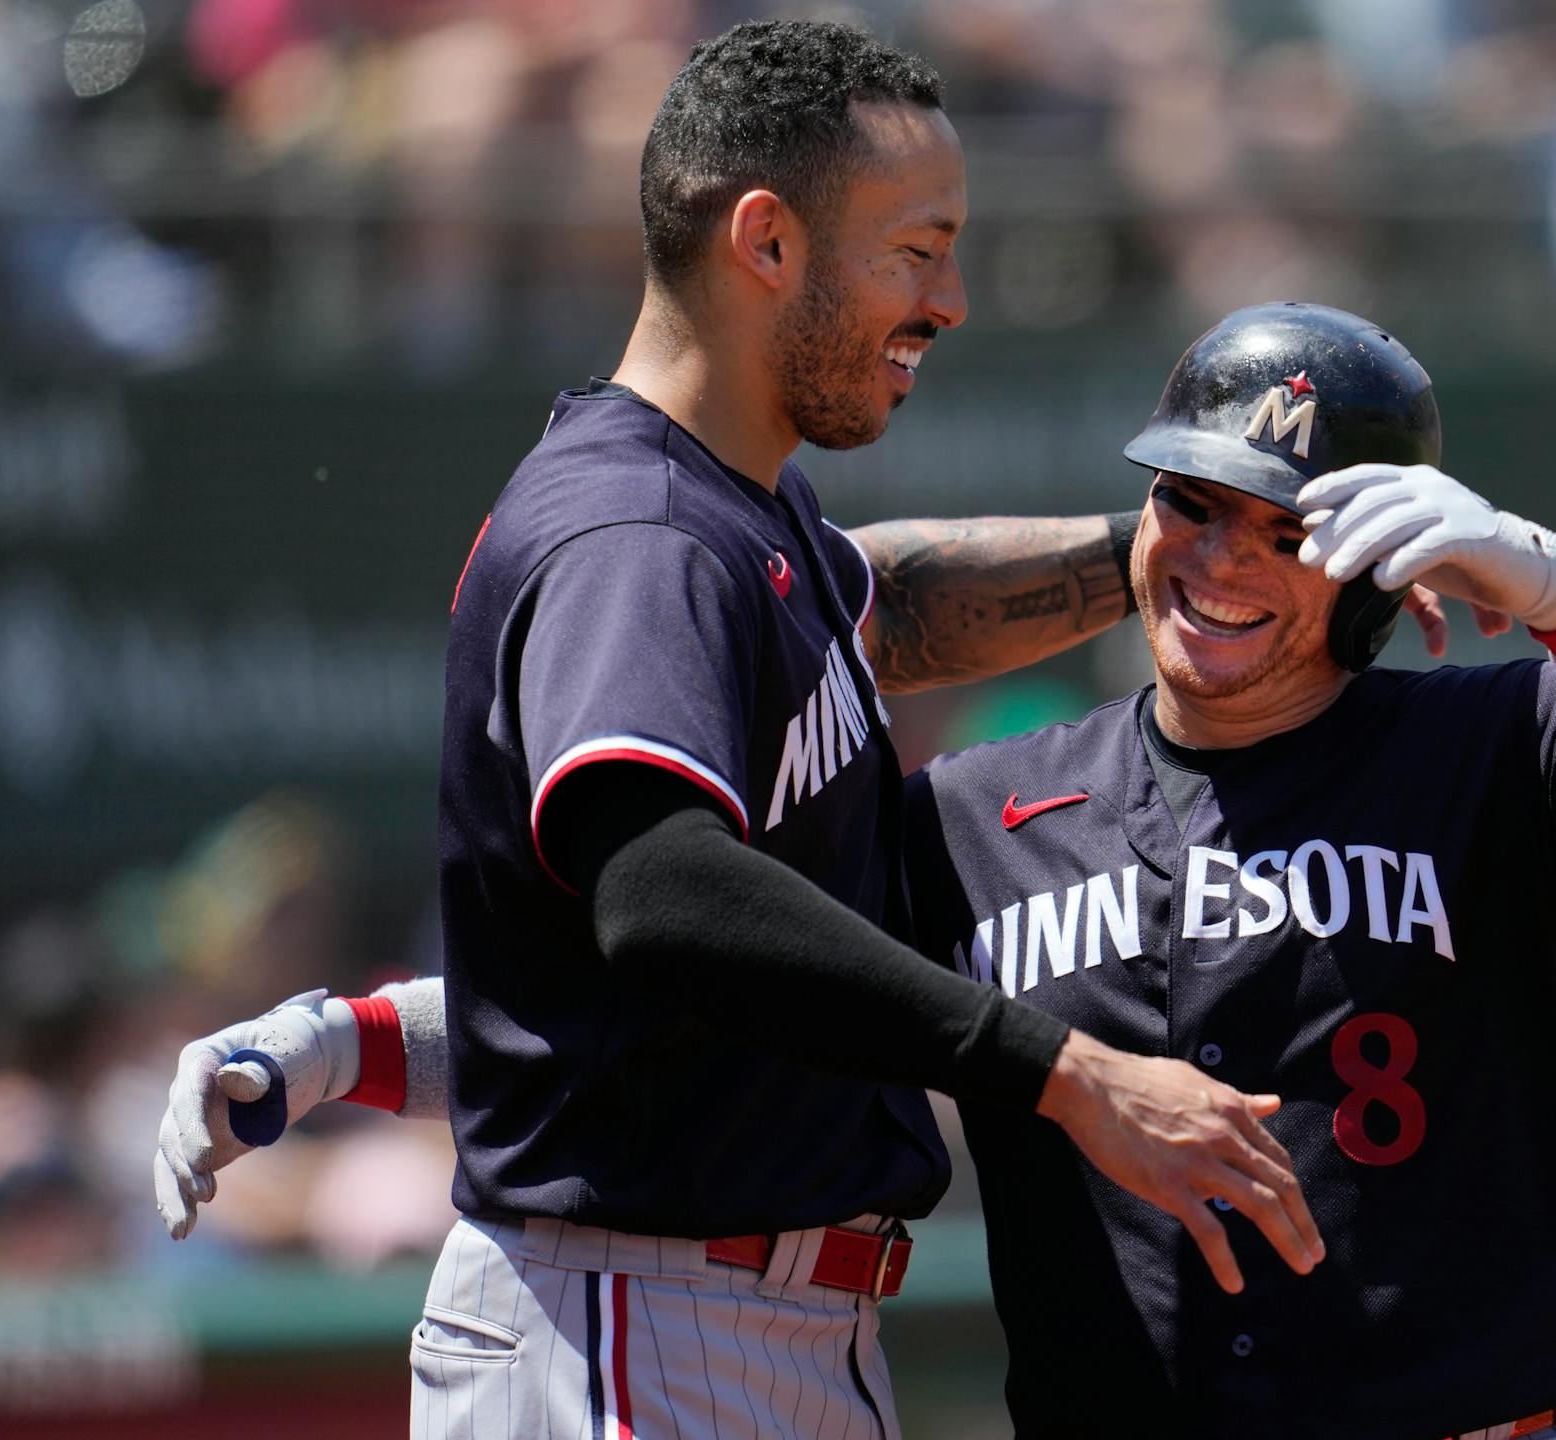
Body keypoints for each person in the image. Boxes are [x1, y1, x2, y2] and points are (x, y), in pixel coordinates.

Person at [156, 302, 1556, 1438]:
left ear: (1375, 568)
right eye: (1190, 504)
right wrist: (337, 1045)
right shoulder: (985, 810)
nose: (1217, 561)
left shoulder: (1499, 749)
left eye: (1285, 532)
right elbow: (688, 999)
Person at [156, 22, 1331, 1440]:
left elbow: (877, 607)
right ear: (766, 241)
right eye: (917, 248)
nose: (950, 300)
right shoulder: (640, 535)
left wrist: (1191, 551)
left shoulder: (736, 512)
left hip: (734, 1324)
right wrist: (1070, 1076)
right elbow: (662, 890)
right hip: (635, 1326)